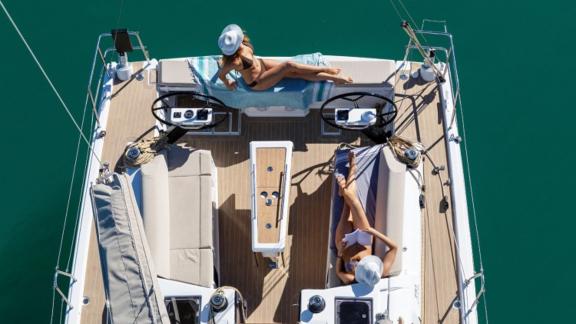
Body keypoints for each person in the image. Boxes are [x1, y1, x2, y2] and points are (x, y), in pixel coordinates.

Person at [217, 24, 353, 91]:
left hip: (262, 65)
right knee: (290, 66)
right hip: (258, 82)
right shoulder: (234, 62)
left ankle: (331, 76)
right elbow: (222, 75)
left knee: (295, 73)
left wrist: (222, 63)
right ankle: (330, 74)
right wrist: (228, 84)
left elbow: (224, 65)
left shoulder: (243, 43)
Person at [334, 151, 398, 286]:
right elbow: (394, 248)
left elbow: (339, 272)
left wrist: (340, 253)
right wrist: (373, 231)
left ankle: (344, 192)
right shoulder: (380, 272)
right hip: (364, 237)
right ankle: (352, 169)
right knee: (354, 201)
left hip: (344, 245)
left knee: (347, 207)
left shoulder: (352, 279)